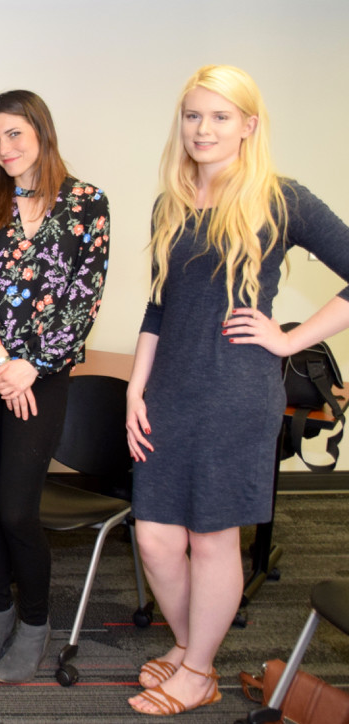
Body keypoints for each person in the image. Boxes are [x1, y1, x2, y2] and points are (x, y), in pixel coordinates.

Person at [126, 65, 349, 716]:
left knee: (212, 537)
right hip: (167, 390)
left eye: (221, 116)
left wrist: (289, 337)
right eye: (194, 115)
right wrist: (135, 389)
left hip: (235, 393)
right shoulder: (172, 199)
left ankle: (197, 669)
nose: (204, 128)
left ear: (249, 126)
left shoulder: (280, 198)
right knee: (156, 539)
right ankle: (194, 645)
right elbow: (159, 308)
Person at [0, 90, 110, 683]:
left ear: (41, 131)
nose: (4, 148)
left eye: (14, 134)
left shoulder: (88, 204)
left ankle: (36, 625)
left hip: (41, 378)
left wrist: (30, 367)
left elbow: (82, 300)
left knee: (18, 507)